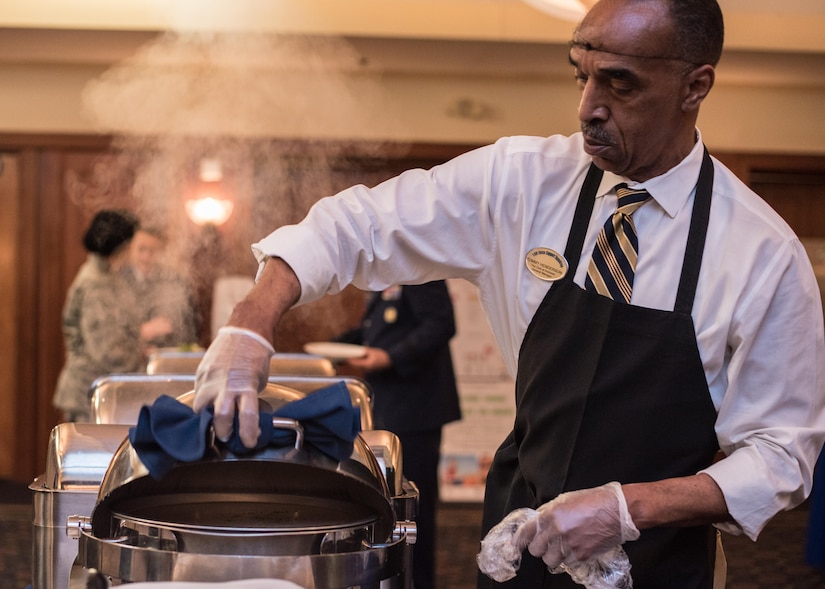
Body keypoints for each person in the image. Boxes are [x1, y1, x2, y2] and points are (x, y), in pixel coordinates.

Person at [192, 0, 825, 586]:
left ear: (696, 86)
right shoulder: (519, 182)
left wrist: (628, 508)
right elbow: (356, 225)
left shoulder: (761, 254)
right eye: (582, 75)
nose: (588, 107)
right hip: (516, 540)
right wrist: (251, 321)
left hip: (658, 560)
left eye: (620, 83)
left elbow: (781, 456)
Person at [336, 281, 462, 589]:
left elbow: (441, 324)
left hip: (416, 411)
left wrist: (390, 357)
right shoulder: (389, 274)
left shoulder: (421, 268)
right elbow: (375, 331)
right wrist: (333, 347)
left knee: (412, 512)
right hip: (394, 406)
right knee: (394, 506)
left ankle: (418, 581)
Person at [53, 209, 148, 422]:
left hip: (101, 392)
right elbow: (108, 351)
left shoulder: (110, 276)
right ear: (120, 249)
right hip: (88, 395)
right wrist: (140, 356)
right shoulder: (94, 286)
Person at [123, 226, 199, 354]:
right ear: (130, 249)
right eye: (141, 249)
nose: (146, 256)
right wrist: (141, 334)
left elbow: (189, 329)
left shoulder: (175, 282)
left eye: (152, 251)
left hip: (165, 358)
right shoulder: (117, 282)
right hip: (128, 360)